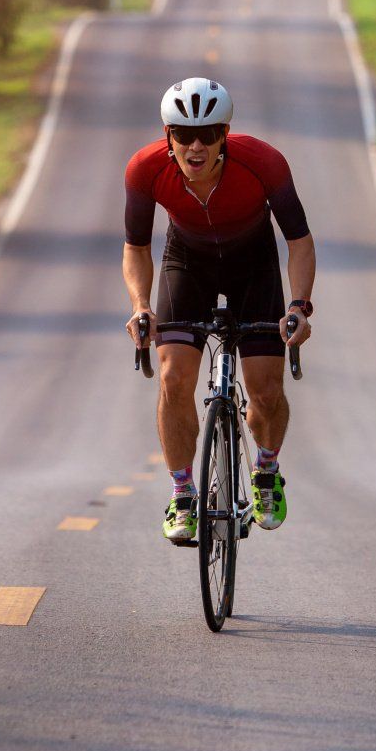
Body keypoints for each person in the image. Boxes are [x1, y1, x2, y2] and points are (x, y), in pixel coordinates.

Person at [122, 77, 314, 545]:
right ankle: (183, 495)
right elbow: (137, 247)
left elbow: (299, 243)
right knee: (172, 378)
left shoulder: (264, 163)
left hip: (254, 265)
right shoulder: (144, 169)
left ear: (225, 133)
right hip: (187, 264)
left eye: (208, 133)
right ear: (167, 135)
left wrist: (299, 306)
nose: (196, 145)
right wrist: (141, 306)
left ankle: (266, 474)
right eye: (184, 134)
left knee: (266, 389)